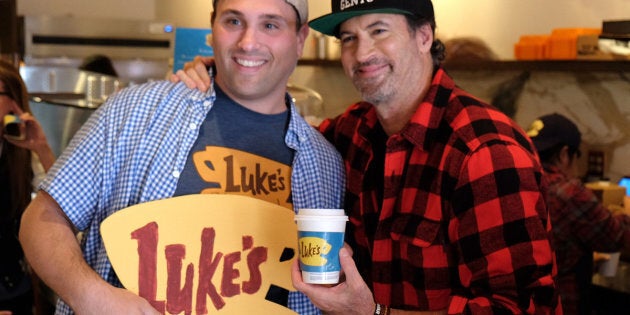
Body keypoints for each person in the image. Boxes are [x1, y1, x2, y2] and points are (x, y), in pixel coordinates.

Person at [172, 0, 562, 314]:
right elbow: (279, 132)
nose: (363, 53)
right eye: (348, 38)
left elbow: (523, 309)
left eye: (379, 31)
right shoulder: (350, 133)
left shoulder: (485, 151)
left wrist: (373, 314)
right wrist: (224, 77)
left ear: (424, 36)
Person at [18, 0, 345, 314]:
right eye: (233, 21)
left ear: (300, 38)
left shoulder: (325, 165)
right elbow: (41, 221)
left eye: (270, 25)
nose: (248, 42)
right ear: (212, 26)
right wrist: (92, 297)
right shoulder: (134, 112)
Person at [526, 113, 630, 315]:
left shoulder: (520, 182)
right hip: (561, 303)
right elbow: (618, 236)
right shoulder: (569, 192)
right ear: (565, 154)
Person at [0, 59, 55, 314]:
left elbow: (61, 204)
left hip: (15, 289)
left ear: (13, 103)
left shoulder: (22, 156)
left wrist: (41, 148)